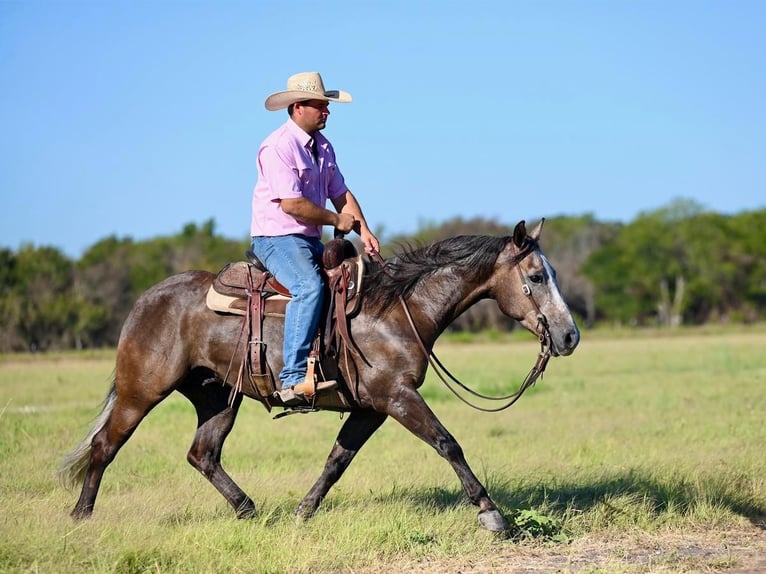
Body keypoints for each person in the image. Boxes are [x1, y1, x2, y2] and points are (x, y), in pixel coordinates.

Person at [250, 71, 380, 406]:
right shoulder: (278, 147)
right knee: (309, 287)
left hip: (307, 239)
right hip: (276, 238)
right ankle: (292, 378)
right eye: (320, 105)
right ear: (297, 108)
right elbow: (292, 205)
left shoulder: (323, 147)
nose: (327, 111)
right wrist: (338, 221)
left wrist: (363, 229)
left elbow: (341, 193)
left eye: (327, 105)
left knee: (351, 282)